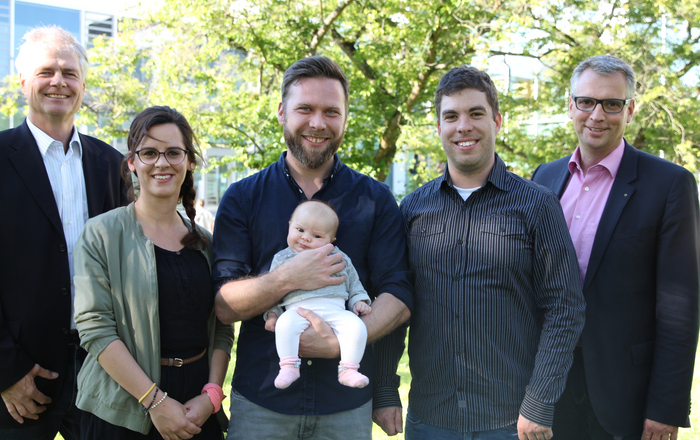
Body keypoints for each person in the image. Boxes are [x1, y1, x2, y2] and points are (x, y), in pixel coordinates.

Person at [374, 65, 586, 440]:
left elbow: (565, 308)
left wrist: (539, 401)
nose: (463, 126)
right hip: (429, 419)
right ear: (438, 126)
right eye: (451, 116)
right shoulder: (412, 208)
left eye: (476, 113)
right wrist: (386, 388)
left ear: (497, 120)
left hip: (511, 422)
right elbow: (395, 302)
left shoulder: (537, 205)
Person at [212, 56, 413, 440]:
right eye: (305, 108)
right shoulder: (243, 198)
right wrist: (287, 277)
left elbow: (399, 293)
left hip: (346, 407)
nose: (318, 123)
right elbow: (224, 305)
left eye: (331, 111)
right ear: (282, 113)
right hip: (262, 404)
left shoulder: (376, 199)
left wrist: (343, 340)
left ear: (345, 118)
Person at [531, 55, 700, 439]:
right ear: (570, 105)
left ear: (630, 110)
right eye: (586, 102)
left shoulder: (669, 184)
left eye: (612, 104)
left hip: (626, 394)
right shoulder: (545, 177)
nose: (597, 115)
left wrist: (666, 406)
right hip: (549, 389)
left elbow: (680, 307)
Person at [73, 106, 234, 439]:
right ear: (132, 162)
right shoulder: (101, 234)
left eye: (173, 153)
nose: (162, 163)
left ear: (190, 161)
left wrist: (211, 397)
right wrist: (155, 401)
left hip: (196, 409)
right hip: (123, 408)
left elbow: (221, 327)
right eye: (149, 153)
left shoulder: (205, 243)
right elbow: (95, 329)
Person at [0, 26, 128, 440]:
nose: (59, 81)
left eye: (70, 73)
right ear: (23, 83)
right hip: (19, 378)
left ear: (83, 84)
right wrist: (6, 370)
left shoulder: (112, 164)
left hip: (102, 368)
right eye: (46, 71)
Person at [264, 200, 372, 389]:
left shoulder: (339, 258)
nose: (305, 238)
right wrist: (273, 314)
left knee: (357, 327)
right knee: (285, 325)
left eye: (316, 235)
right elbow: (272, 292)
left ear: (331, 240)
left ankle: (349, 369)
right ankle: (288, 366)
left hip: (336, 311)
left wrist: (358, 300)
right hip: (297, 310)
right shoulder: (282, 258)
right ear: (289, 225)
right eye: (300, 230)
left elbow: (354, 283)